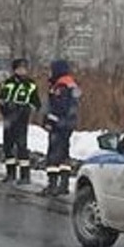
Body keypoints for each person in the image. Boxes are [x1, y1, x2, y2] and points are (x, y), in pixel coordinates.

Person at [0, 58, 41, 185]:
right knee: (8, 146)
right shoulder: (8, 83)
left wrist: (25, 109)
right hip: (8, 119)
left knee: (22, 147)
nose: (22, 71)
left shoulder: (30, 84)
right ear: (14, 69)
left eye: (24, 68)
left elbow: (36, 104)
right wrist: (4, 106)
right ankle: (10, 174)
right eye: (19, 68)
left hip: (21, 120)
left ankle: (25, 175)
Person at [42, 59, 81, 197]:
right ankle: (63, 184)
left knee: (53, 154)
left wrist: (50, 119)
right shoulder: (70, 83)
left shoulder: (60, 87)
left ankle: (52, 184)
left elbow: (59, 107)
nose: (49, 73)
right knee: (64, 153)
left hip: (59, 124)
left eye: (51, 70)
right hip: (68, 124)